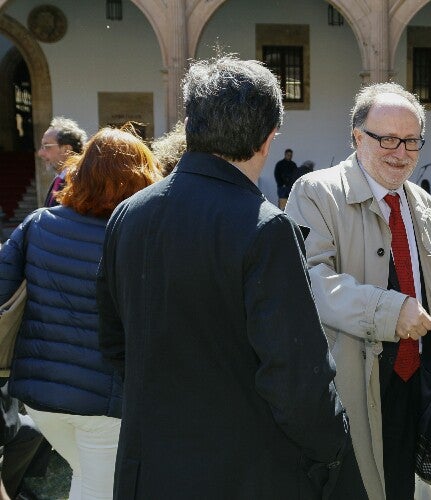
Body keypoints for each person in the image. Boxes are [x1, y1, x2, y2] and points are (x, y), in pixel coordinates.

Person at [96, 55, 365, 499]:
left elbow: (112, 342)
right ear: (269, 136)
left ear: (190, 124)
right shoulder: (265, 228)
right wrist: (334, 450)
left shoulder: (130, 213)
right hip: (244, 472)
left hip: (152, 467)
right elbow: (297, 379)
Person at [285, 82, 431, 500]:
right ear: (357, 137)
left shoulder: (426, 207)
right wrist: (388, 310)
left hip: (416, 384)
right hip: (353, 386)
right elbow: (309, 279)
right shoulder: (315, 193)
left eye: (412, 141)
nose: (401, 153)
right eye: (388, 140)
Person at [0, 126, 163, 499]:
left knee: (91, 480)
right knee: (99, 488)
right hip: (103, 403)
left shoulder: (38, 223)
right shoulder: (138, 239)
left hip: (39, 394)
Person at [37, 117, 87, 207]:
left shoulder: (80, 182)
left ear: (66, 149)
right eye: (42, 146)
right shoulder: (58, 179)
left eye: (46, 146)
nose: (40, 153)